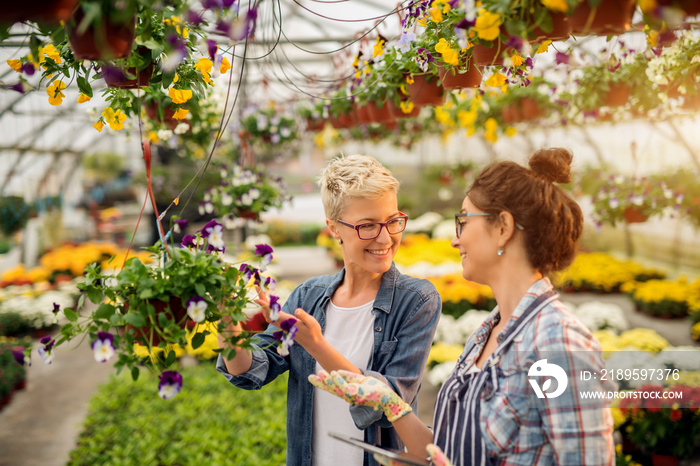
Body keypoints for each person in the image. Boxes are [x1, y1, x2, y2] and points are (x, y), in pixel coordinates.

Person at [311, 148, 615, 466]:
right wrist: (392, 406)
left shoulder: (557, 344)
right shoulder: (485, 335)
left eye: (464, 220)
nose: (455, 240)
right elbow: (448, 450)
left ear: (503, 228)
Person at [216, 154, 442, 466]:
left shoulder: (416, 300)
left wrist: (316, 345)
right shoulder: (307, 296)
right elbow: (250, 370)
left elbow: (389, 404)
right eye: (367, 226)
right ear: (334, 228)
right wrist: (225, 319)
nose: (385, 236)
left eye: (392, 221)